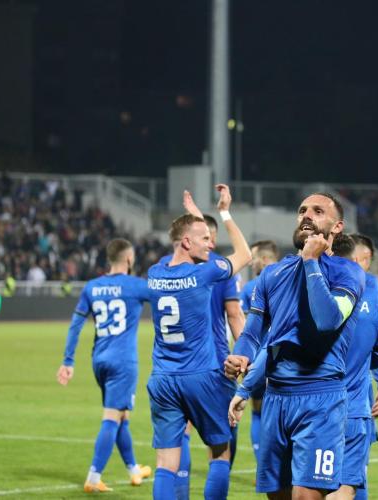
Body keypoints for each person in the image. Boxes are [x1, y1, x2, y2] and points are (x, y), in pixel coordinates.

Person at [225, 192, 365, 499]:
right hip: (276, 398)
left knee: (305, 496)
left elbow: (327, 320)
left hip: (321, 399)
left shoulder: (347, 272)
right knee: (277, 495)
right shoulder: (272, 274)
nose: (307, 215)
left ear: (337, 226)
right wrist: (241, 360)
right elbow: (253, 333)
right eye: (302, 210)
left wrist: (311, 261)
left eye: (318, 211)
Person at [147, 184, 251, 500]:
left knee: (165, 463)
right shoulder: (206, 273)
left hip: (163, 379)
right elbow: (245, 255)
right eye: (205, 239)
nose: (211, 244)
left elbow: (185, 243)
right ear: (187, 242)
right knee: (220, 453)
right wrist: (225, 213)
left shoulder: (154, 272)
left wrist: (195, 218)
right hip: (202, 376)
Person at [56, 238, 152, 493]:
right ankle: (94, 477)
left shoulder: (92, 287)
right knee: (112, 417)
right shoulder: (136, 285)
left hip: (99, 360)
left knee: (121, 415)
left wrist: (68, 361)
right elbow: (166, 301)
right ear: (129, 259)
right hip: (123, 362)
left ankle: (133, 470)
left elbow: (76, 325)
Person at [326, 234, 378, 500]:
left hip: (322, 398)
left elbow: (367, 344)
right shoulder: (370, 295)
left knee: (333, 477)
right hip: (354, 399)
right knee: (352, 475)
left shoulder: (326, 288)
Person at [239, 239, 280, 465]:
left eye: (254, 258)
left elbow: (246, 328)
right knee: (281, 414)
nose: (251, 262)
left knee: (257, 411)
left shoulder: (250, 288)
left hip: (256, 360)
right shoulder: (291, 280)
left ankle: (263, 467)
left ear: (264, 260)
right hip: (283, 359)